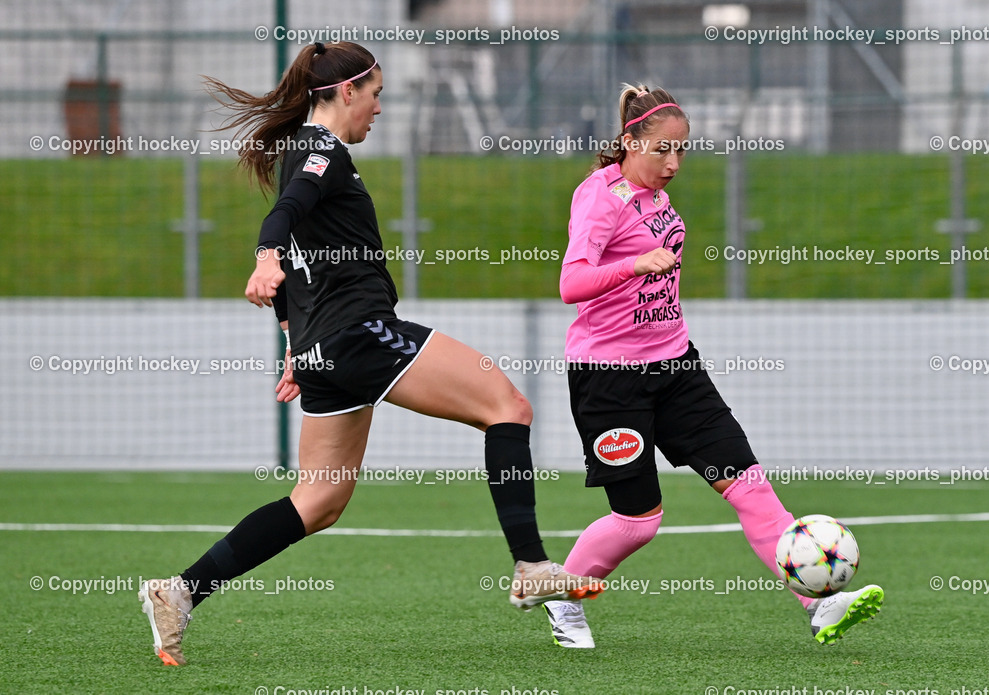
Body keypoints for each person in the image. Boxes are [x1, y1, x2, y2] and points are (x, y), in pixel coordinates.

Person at [137, 41, 601, 667]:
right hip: (359, 334)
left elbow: (304, 250)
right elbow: (286, 217)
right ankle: (530, 565)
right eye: (377, 94)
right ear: (347, 91)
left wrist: (292, 342)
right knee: (508, 406)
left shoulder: (304, 151)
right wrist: (264, 257)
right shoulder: (321, 151)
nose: (380, 108)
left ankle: (181, 591)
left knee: (316, 502)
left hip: (325, 344)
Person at [541, 83, 884, 648]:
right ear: (631, 141)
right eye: (662, 150)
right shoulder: (599, 197)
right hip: (610, 380)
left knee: (749, 486)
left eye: (682, 151)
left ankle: (819, 606)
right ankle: (565, 597)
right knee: (638, 522)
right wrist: (633, 266)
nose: (673, 164)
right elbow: (571, 284)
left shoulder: (657, 198)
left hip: (678, 368)